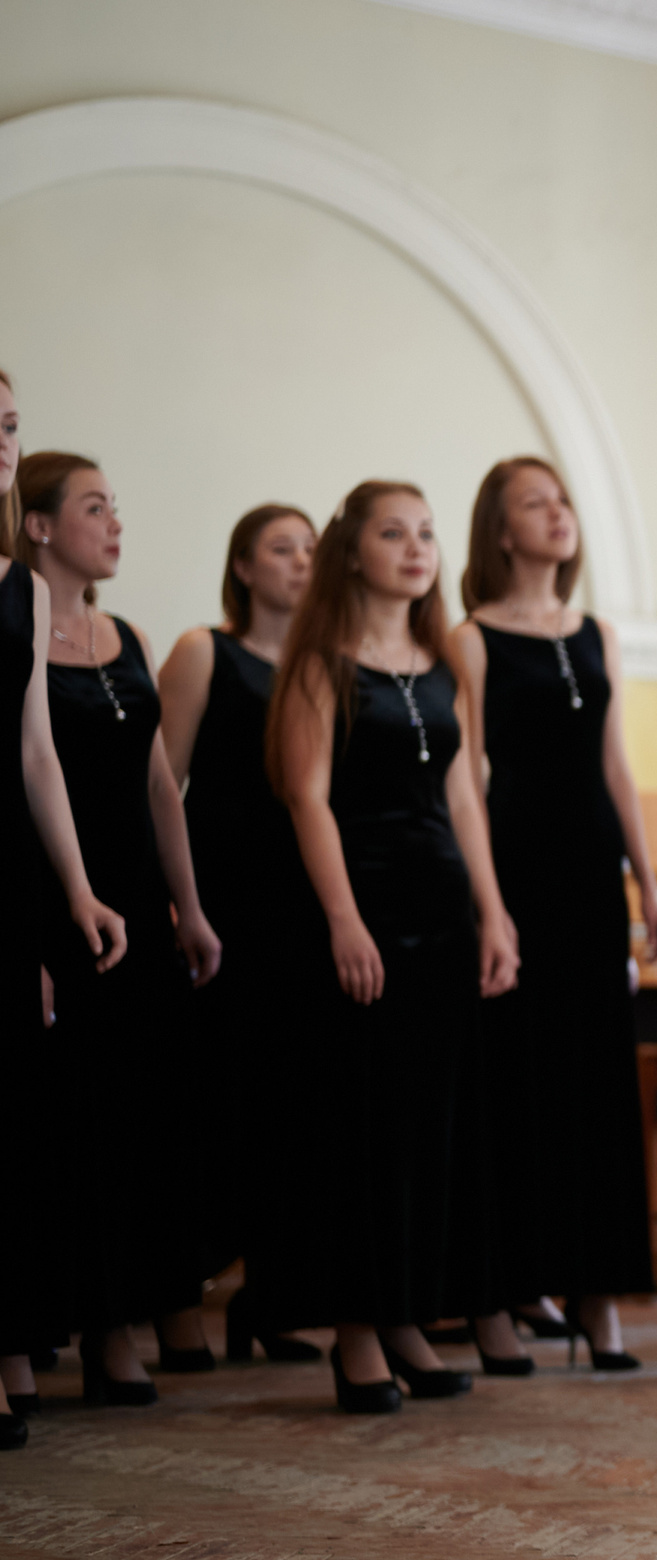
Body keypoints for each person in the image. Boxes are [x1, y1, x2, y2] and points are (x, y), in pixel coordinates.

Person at [267, 479, 521, 1412]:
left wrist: (493, 911)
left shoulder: (444, 658)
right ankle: (359, 1331)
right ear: (352, 550)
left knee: (432, 1127)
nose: (418, 548)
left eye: (425, 532)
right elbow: (308, 799)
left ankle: (410, 1313)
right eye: (393, 532)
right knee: (363, 1127)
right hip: (361, 905)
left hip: (441, 907)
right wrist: (342, 919)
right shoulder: (319, 665)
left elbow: (463, 795)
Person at [22, 453, 226, 1404]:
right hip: (58, 896)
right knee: (71, 1119)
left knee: (146, 1113)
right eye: (94, 508)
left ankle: (131, 1317)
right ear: (38, 526)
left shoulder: (128, 634)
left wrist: (188, 906)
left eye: (116, 508)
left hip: (140, 902)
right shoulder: (16, 627)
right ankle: (70, 1324)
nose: (114, 524)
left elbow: (158, 786)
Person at [455, 456, 657, 1372]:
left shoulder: (598, 633)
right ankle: (497, 1301)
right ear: (500, 531)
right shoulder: (469, 637)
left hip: (590, 876)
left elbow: (616, 766)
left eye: (563, 502)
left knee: (596, 1087)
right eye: (534, 505)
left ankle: (598, 1297)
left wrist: (646, 885)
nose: (557, 516)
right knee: (516, 1083)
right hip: (516, 870)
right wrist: (488, 903)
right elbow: (465, 773)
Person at [158, 504, 331, 1365]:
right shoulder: (204, 651)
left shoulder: (323, 669)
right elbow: (160, 782)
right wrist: (178, 904)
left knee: (291, 1110)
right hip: (221, 907)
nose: (302, 562)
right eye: (281, 548)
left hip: (301, 910)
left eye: (311, 548)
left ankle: (271, 1299)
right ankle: (178, 1300)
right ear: (242, 566)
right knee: (210, 1104)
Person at [0, 380, 128, 1444]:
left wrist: (78, 887)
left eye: (7, 425)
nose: (2, 444)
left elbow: (35, 751)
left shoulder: (19, 591)